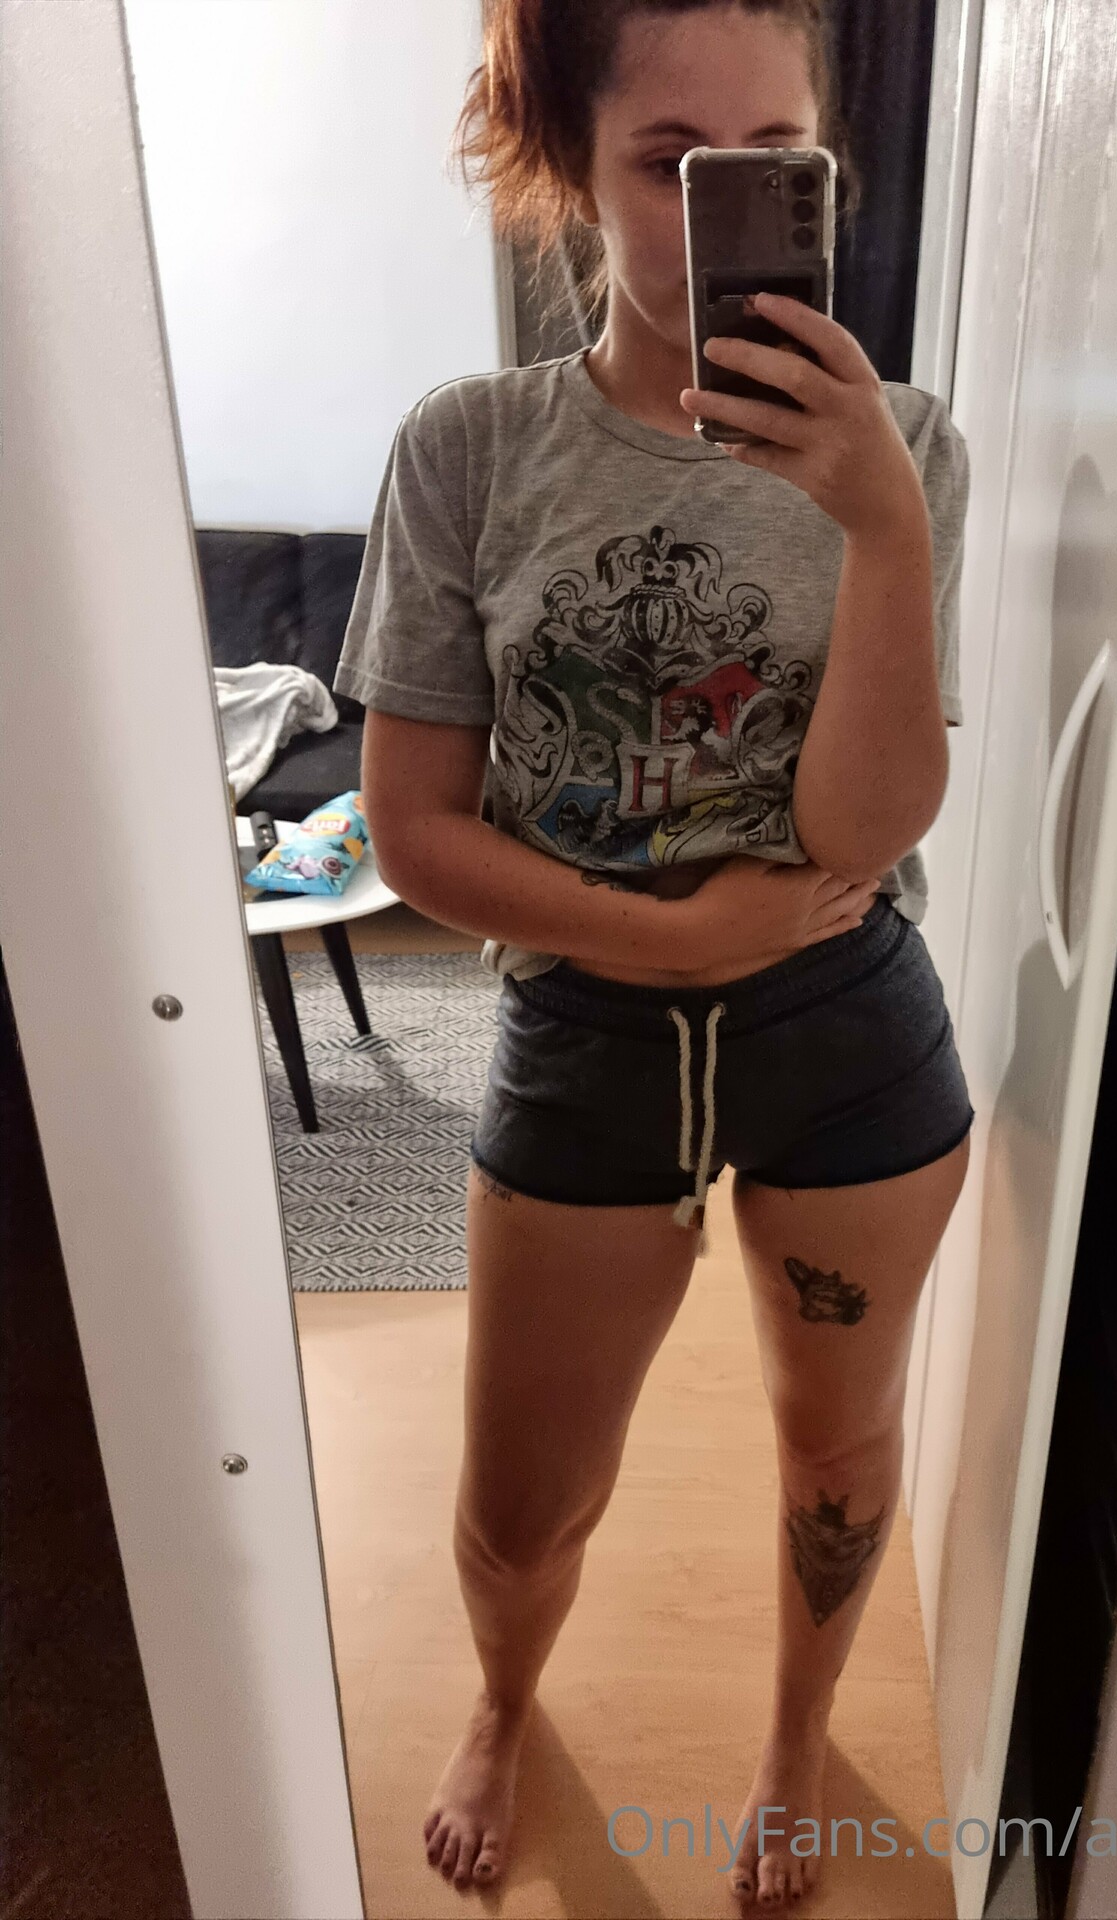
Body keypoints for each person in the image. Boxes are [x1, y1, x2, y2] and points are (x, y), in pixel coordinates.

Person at [331, 0, 976, 1906]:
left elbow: (865, 832)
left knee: (838, 1448)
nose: (723, 211)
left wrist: (883, 531)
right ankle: (501, 1698)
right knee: (519, 1506)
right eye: (667, 161)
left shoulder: (904, 445)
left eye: (775, 160)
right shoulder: (470, 449)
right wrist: (674, 929)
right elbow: (413, 833)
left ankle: (793, 1740)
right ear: (569, 166)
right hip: (586, 1033)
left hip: (846, 1027)